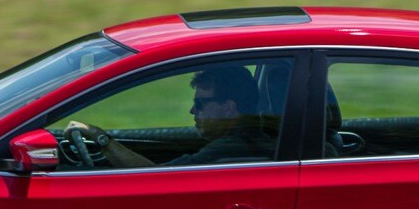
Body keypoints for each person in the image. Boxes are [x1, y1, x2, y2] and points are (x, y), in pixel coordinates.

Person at [68, 64, 276, 168]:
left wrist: (101, 139)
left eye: (200, 104)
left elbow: (152, 178)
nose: (193, 111)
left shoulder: (229, 150)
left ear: (229, 108)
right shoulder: (249, 141)